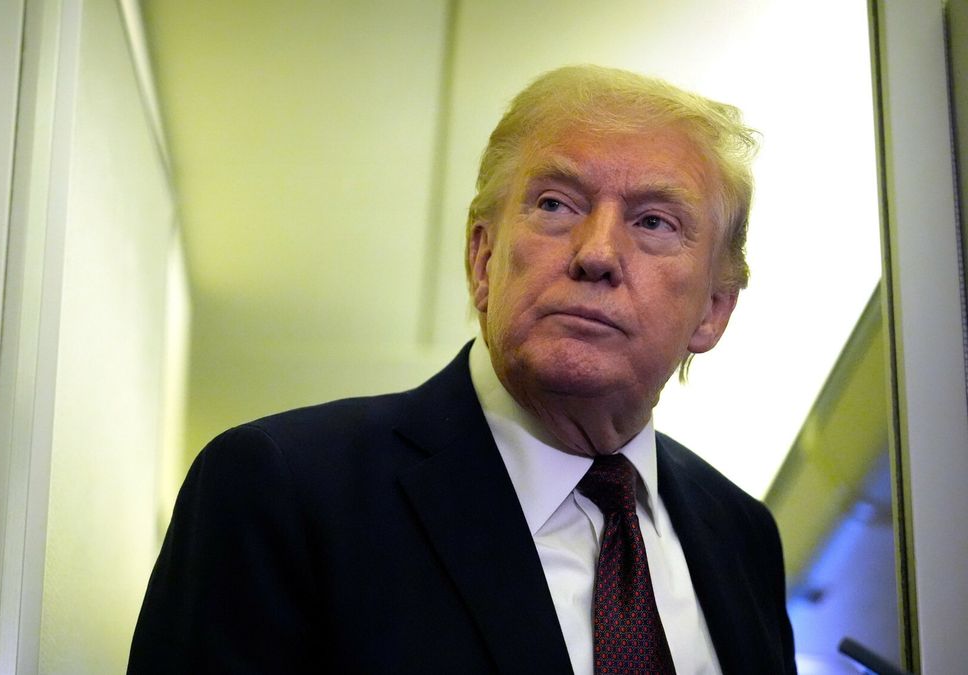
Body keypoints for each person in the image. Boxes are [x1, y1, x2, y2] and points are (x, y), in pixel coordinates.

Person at [129, 65, 796, 674]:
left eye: (654, 221)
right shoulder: (281, 488)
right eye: (556, 205)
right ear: (482, 258)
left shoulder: (742, 535)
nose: (596, 253)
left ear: (713, 309)